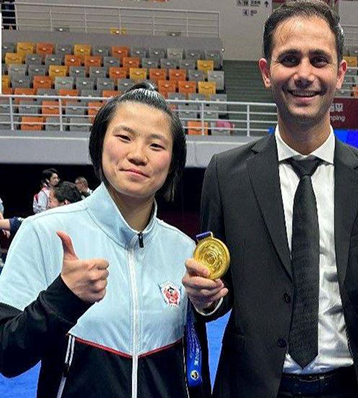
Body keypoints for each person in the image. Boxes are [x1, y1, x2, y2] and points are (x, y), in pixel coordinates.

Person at [183, 1, 358, 397]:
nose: (304, 74)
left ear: (339, 73)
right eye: (290, 58)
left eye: (319, 60)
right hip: (252, 385)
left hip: (350, 385)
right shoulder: (225, 175)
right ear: (267, 72)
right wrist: (206, 299)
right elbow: (219, 287)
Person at [0, 83, 210, 398]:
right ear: (100, 143)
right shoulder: (43, 232)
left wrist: (210, 304)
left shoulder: (184, 250)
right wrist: (63, 298)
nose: (138, 155)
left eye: (156, 145)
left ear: (173, 164)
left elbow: (193, 370)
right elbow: (7, 356)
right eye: (124, 137)